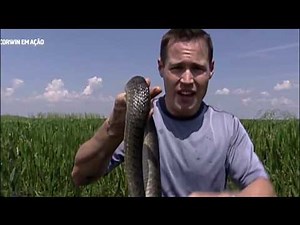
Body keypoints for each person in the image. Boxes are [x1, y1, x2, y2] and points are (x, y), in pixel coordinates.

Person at [71, 29, 276, 197]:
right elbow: (81, 176)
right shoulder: (141, 118)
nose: (187, 80)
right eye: (177, 68)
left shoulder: (228, 127)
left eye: (197, 68)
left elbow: (264, 189)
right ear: (161, 67)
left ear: (211, 69)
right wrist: (113, 129)